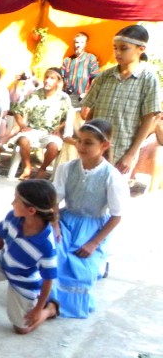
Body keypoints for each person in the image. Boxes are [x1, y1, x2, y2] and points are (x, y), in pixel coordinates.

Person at [53, 119, 126, 318]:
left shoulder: (112, 176)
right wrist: (55, 225)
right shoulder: (67, 168)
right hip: (65, 222)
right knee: (53, 255)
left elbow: (116, 215)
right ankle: (49, 301)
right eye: (79, 141)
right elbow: (54, 201)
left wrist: (94, 243)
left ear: (104, 146)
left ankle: (67, 305)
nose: (81, 147)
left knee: (80, 268)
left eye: (88, 143)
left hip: (93, 228)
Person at [81, 25, 162, 181]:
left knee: (112, 198)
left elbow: (149, 119)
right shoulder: (104, 77)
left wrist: (131, 154)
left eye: (123, 48)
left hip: (122, 152)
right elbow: (90, 113)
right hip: (95, 149)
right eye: (115, 48)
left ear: (141, 49)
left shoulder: (148, 79)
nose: (117, 53)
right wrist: (85, 141)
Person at [0, 180, 60, 334]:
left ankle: (51, 309)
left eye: (16, 199)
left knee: (21, 328)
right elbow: (1, 236)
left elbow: (48, 279)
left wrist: (39, 310)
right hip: (2, 261)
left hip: (24, 281)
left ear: (31, 210)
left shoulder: (46, 244)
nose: (12, 202)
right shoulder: (12, 217)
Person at [7, 67, 72, 180]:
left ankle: (42, 169)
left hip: (51, 132)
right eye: (46, 77)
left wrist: (59, 128)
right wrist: (22, 126)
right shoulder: (35, 94)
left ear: (58, 81)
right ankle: (27, 167)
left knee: (53, 145)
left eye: (52, 78)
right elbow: (17, 111)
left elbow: (68, 117)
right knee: (23, 139)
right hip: (33, 129)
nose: (47, 80)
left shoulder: (64, 98)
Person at [62, 32, 100, 100]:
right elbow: (61, 78)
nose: (78, 45)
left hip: (83, 98)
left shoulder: (91, 58)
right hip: (67, 97)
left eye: (82, 42)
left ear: (86, 44)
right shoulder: (67, 60)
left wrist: (88, 93)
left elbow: (96, 78)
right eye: (77, 42)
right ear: (74, 44)